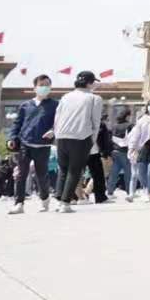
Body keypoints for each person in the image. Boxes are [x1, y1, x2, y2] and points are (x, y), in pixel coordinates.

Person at [50, 71, 103, 213]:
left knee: (63, 170)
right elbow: (95, 122)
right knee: (74, 171)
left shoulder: (66, 96)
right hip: (81, 136)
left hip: (62, 136)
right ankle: (65, 202)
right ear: (90, 83)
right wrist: (92, 141)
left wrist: (56, 134)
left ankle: (59, 199)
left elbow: (57, 118)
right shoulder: (94, 98)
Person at [9, 75, 59, 214]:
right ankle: (19, 203)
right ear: (35, 87)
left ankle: (44, 199)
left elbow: (59, 123)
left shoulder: (55, 105)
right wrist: (12, 139)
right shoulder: (25, 105)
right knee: (21, 174)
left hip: (42, 146)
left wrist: (53, 131)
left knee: (41, 175)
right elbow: (17, 124)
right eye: (42, 84)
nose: (45, 87)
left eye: (47, 84)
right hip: (25, 144)